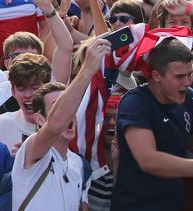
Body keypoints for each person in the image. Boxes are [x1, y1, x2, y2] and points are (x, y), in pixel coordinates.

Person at [11, 38, 111, 210]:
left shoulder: (78, 164)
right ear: (40, 119)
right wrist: (87, 70)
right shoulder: (32, 149)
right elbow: (57, 123)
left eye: (71, 108)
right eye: (57, 107)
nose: (69, 115)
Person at [111, 38, 193, 210]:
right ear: (156, 76)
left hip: (174, 204)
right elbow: (148, 160)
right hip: (136, 205)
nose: (187, 82)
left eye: (190, 74)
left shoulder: (188, 98)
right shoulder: (135, 103)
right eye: (180, 77)